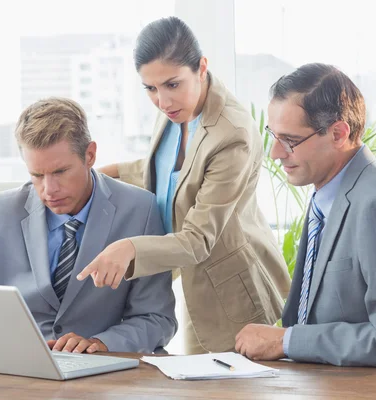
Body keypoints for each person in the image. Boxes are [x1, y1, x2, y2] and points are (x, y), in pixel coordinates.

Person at [80, 16, 290, 354]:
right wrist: (100, 174)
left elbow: (198, 240)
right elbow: (171, 171)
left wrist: (129, 249)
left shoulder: (231, 133)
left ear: (201, 67)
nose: (162, 101)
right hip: (187, 279)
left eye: (172, 84)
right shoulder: (178, 109)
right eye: (150, 88)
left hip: (228, 291)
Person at [0, 97, 177, 354]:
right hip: (10, 372)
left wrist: (100, 344)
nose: (49, 190)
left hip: (100, 373)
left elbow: (157, 318)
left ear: (90, 155)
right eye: (37, 175)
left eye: (60, 172)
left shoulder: (140, 210)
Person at [235, 63, 376, 367]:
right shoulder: (327, 190)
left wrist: (286, 341)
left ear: (338, 133)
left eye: (290, 140)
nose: (275, 153)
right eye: (273, 135)